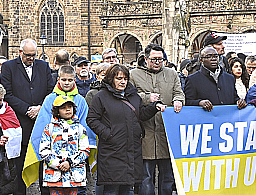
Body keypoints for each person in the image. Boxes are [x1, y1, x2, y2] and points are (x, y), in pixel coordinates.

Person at [87, 64, 166, 195]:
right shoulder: (101, 96)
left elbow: (141, 114)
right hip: (111, 151)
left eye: (125, 78)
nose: (123, 81)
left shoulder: (133, 95)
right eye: (119, 78)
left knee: (128, 188)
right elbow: (92, 119)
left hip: (132, 149)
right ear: (111, 79)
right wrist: (108, 134)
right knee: (111, 189)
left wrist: (154, 107)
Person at [1, 38, 56, 195]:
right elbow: (7, 94)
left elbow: (50, 91)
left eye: (33, 55)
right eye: (27, 55)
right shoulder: (9, 67)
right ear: (20, 52)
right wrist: (27, 109)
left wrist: (40, 108)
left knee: (43, 166)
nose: (31, 58)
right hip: (20, 125)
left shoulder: (43, 66)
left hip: (41, 126)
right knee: (20, 169)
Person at [129, 44, 184, 195]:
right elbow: (129, 96)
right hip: (145, 133)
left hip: (166, 134)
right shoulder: (134, 74)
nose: (158, 63)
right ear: (146, 59)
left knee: (167, 178)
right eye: (154, 60)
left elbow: (179, 93)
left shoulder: (172, 74)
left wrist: (179, 100)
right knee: (146, 178)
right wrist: (147, 97)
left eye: (161, 59)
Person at [39, 95, 90, 195]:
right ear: (57, 111)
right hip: (54, 177)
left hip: (74, 177)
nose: (67, 110)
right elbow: (43, 151)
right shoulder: (49, 129)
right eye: (63, 108)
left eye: (70, 107)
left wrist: (69, 163)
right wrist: (58, 164)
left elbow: (85, 150)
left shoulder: (80, 128)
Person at [184, 47, 247, 111]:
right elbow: (187, 101)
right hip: (205, 118)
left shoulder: (230, 78)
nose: (213, 59)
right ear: (201, 60)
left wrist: (240, 101)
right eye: (208, 56)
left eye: (216, 56)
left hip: (227, 118)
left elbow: (234, 98)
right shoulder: (192, 79)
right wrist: (199, 102)